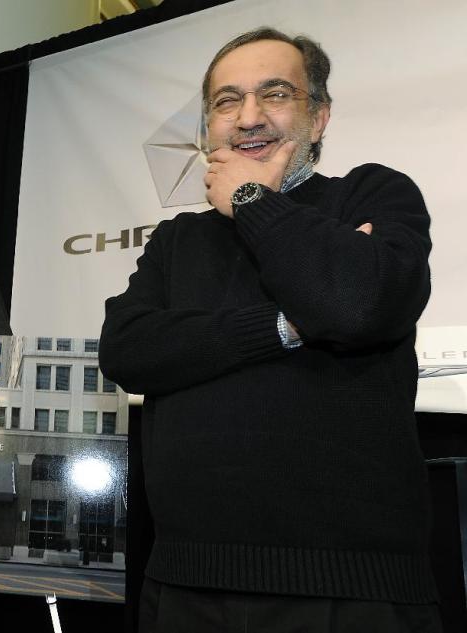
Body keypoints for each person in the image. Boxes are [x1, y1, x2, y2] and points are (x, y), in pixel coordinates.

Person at [99, 28, 440, 632]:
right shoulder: (178, 239)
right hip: (183, 585)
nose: (249, 117)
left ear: (319, 116)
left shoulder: (372, 193)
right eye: (227, 102)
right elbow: (128, 350)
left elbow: (359, 304)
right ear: (209, 127)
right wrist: (289, 323)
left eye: (275, 94)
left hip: (350, 591)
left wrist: (253, 199)